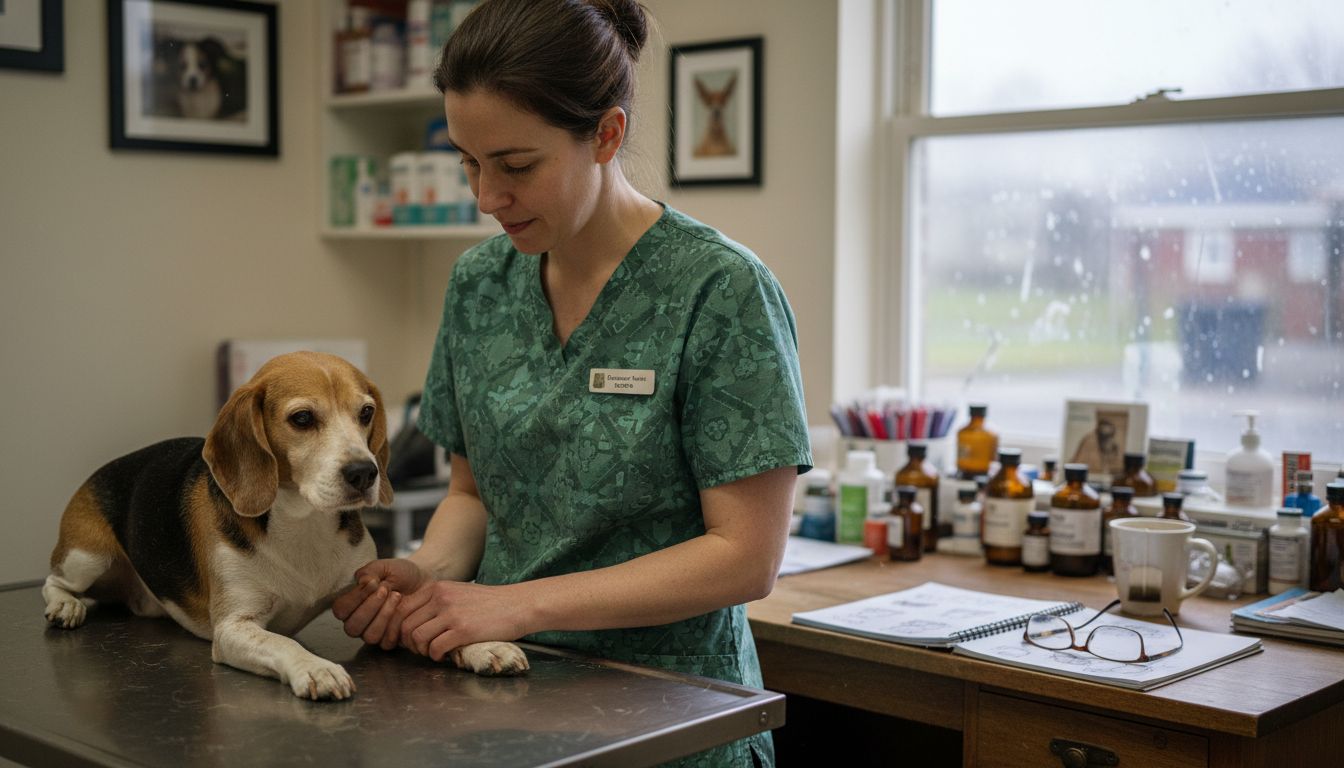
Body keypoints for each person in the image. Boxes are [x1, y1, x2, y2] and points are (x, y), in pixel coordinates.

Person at [332, 1, 811, 765]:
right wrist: (427, 578)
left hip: (673, 719)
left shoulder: (719, 290)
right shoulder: (479, 284)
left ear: (606, 136)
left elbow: (745, 557)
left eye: (516, 166)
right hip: (500, 706)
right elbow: (471, 493)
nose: (486, 197)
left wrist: (513, 604)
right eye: (469, 160)